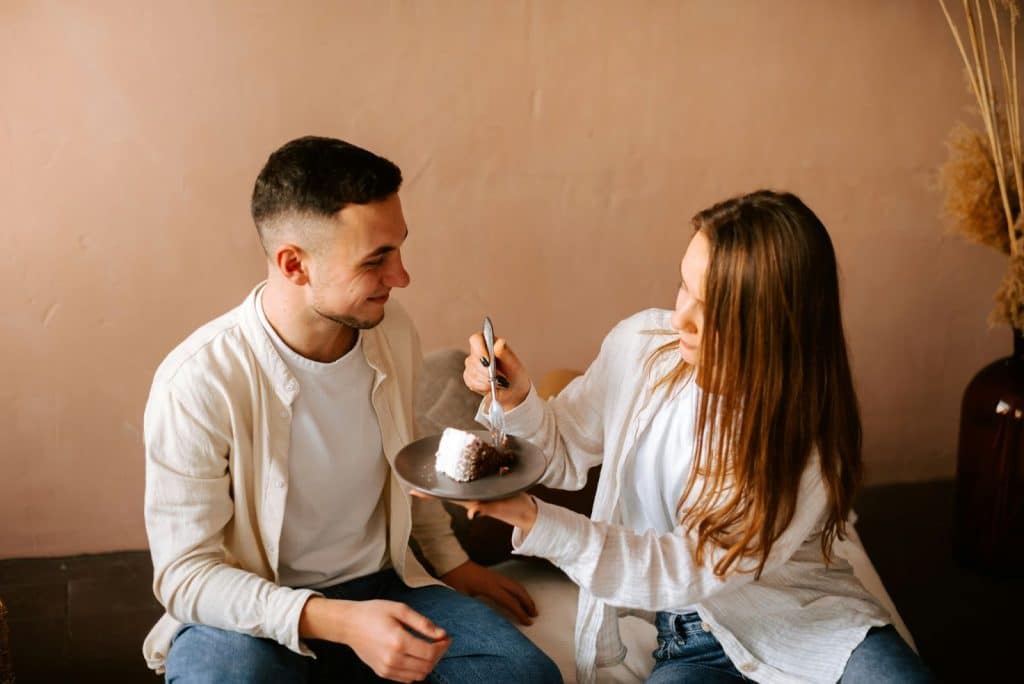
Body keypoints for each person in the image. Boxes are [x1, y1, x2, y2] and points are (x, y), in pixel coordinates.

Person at [456, 191, 934, 683]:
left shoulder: (802, 442)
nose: (680, 318)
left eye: (712, 307)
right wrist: (515, 399)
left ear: (771, 324)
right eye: (684, 287)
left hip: (813, 626)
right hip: (692, 643)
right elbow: (560, 447)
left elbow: (683, 566)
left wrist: (540, 521)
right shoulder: (641, 347)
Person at [142, 135, 561, 683]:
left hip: (384, 584)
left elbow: (409, 463)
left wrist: (454, 564)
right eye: (376, 260)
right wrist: (340, 622)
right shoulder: (197, 381)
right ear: (294, 264)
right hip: (249, 614)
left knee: (523, 676)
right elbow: (185, 576)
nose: (402, 277)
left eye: (399, 249)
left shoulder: (392, 331)